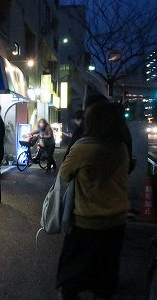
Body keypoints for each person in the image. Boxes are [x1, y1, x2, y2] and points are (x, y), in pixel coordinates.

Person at [57, 102, 130, 299]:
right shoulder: (121, 147)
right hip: (117, 220)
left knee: (72, 271)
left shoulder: (83, 148)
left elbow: (64, 174)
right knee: (106, 271)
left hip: (87, 219)